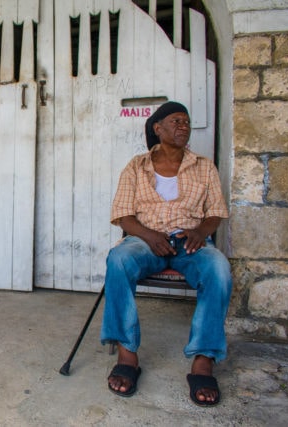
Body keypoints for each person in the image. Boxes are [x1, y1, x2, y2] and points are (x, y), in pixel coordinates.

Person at [100, 101, 232, 407]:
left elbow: (215, 213)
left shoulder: (204, 166)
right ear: (157, 128)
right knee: (118, 260)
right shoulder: (136, 166)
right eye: (176, 121)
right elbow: (123, 216)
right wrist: (149, 236)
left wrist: (201, 232)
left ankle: (203, 360)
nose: (183, 126)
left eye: (186, 122)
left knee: (219, 269)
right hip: (146, 240)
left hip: (190, 242)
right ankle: (127, 355)